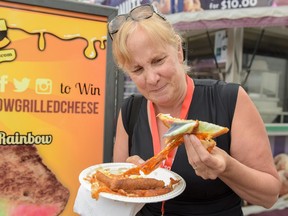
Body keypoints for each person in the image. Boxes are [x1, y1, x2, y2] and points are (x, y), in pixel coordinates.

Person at [109, 4, 281, 216]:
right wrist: (132, 176)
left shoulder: (229, 99)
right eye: (137, 69)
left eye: (158, 60)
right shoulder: (130, 111)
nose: (152, 78)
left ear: (179, 51)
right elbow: (117, 194)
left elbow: (269, 195)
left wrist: (226, 167)